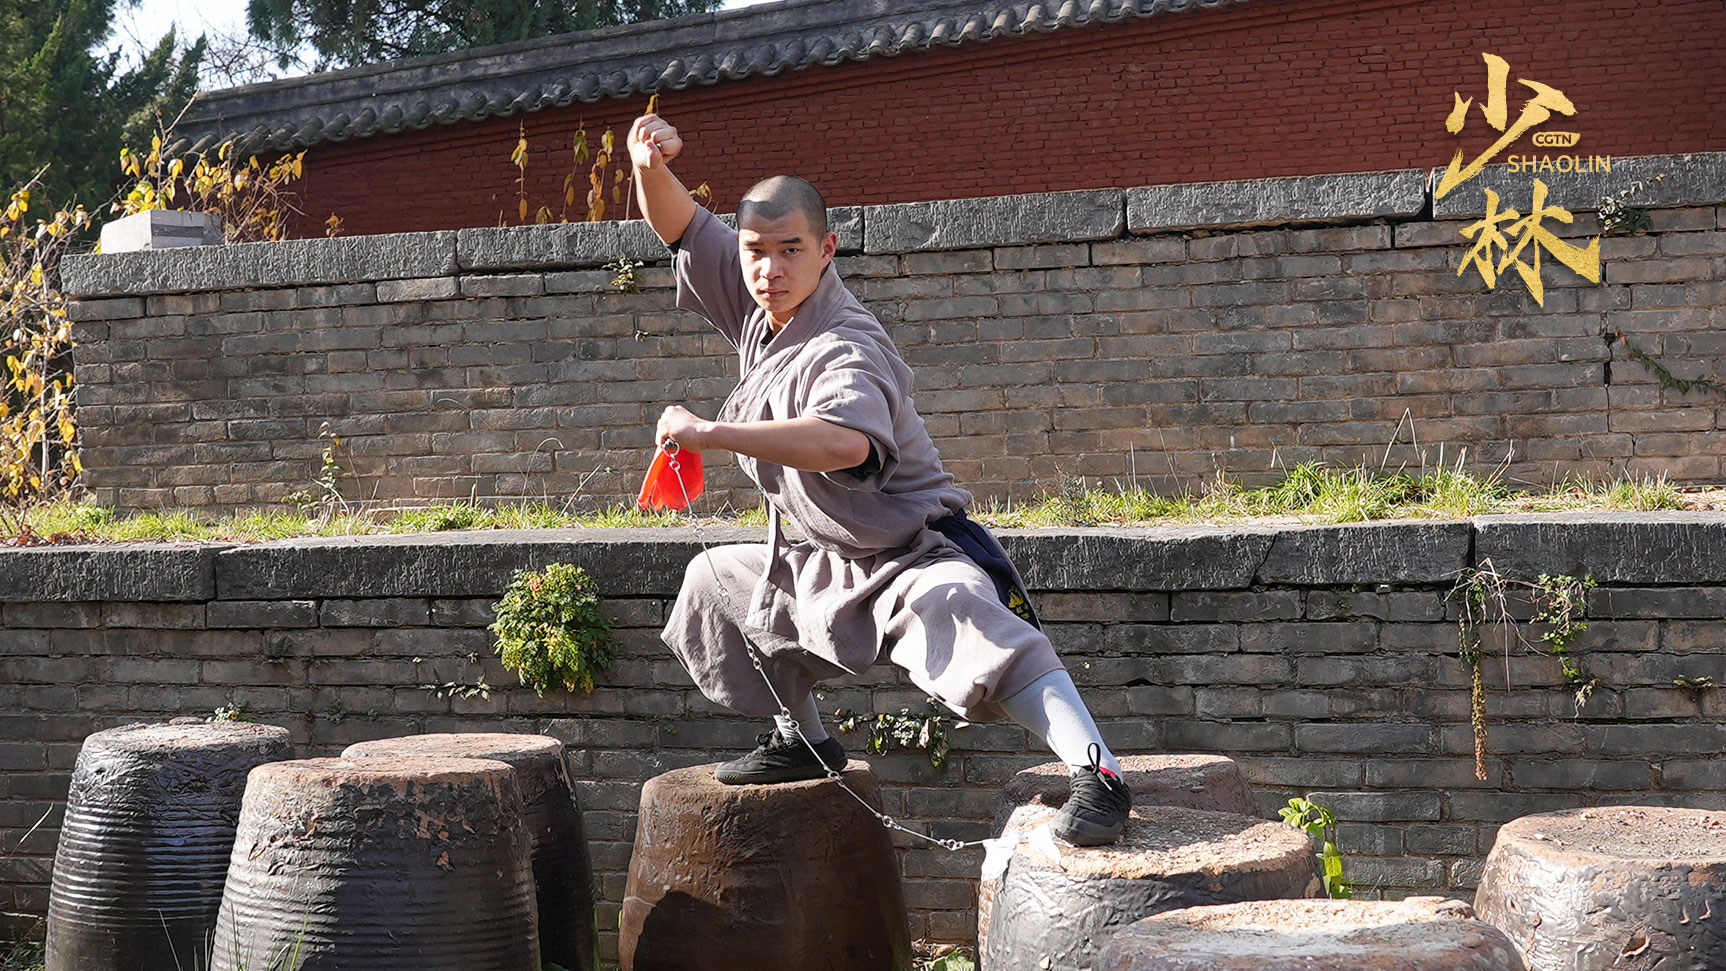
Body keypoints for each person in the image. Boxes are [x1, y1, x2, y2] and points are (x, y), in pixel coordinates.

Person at [628, 112, 1133, 846]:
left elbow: (841, 442)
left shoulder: (847, 344)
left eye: (790, 250)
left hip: (912, 552)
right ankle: (801, 739)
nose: (769, 267)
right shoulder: (757, 303)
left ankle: (1102, 773)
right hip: (825, 553)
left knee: (965, 612)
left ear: (826, 249)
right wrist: (647, 164)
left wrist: (711, 431)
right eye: (755, 251)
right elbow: (678, 225)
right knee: (717, 581)